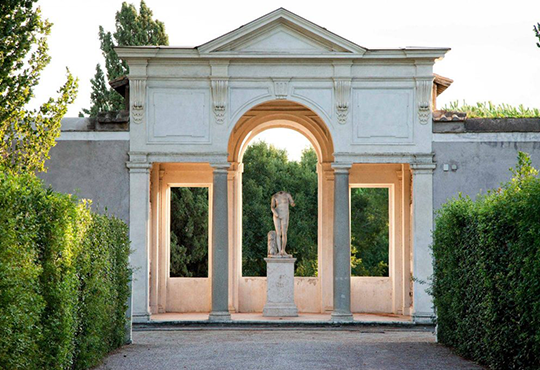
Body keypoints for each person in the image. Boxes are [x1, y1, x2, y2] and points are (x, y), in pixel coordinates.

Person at [270, 191, 295, 256]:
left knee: (284, 233)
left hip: (285, 214)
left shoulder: (287, 195)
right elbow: (272, 207)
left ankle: (283, 250)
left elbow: (292, 202)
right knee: (278, 233)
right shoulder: (274, 196)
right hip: (277, 214)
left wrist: (292, 203)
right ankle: (279, 250)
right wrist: (275, 212)